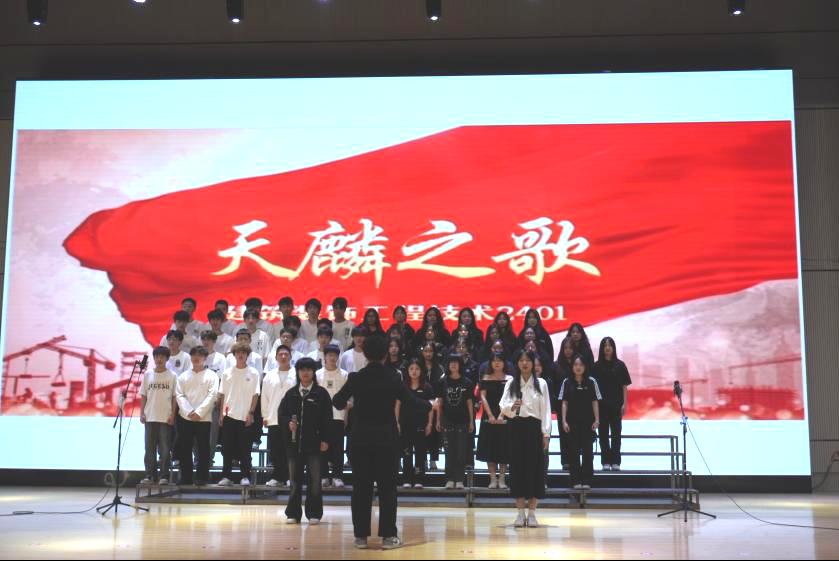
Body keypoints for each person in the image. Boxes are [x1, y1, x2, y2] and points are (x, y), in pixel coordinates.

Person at [332, 335, 432, 550]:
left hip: (360, 440)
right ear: (385, 354)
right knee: (387, 489)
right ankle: (388, 537)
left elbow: (338, 402)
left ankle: (360, 537)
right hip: (386, 440)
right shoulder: (393, 378)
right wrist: (428, 405)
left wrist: (352, 403)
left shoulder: (356, 378)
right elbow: (411, 401)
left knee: (361, 489)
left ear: (365, 354)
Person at [499, 350, 552, 528]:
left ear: (533, 363)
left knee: (535, 470)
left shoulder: (541, 383)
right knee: (517, 470)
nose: (524, 363)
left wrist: (546, 434)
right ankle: (520, 514)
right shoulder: (511, 383)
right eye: (521, 360)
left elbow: (546, 410)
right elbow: (503, 406)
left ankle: (532, 514)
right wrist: (512, 407)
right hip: (516, 428)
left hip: (534, 429)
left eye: (528, 360)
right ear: (517, 363)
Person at [279, 357, 332, 525]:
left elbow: (328, 419)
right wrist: (288, 423)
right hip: (294, 446)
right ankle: (293, 513)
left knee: (315, 481)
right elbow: (282, 415)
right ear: (298, 372)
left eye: (309, 369)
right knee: (294, 482)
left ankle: (314, 513)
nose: (305, 373)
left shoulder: (321, 394)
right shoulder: (291, 394)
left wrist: (325, 439)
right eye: (302, 369)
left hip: (315, 445)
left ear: (313, 372)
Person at [217, 343, 261, 487]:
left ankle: (245, 476)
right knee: (227, 448)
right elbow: (222, 394)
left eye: (243, 352)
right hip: (229, 415)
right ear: (234, 355)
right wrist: (221, 414)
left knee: (245, 449)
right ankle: (226, 476)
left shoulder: (253, 373)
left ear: (247, 355)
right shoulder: (227, 373)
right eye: (238, 352)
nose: (240, 355)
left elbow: (255, 395)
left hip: (245, 416)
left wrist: (251, 413)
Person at [174, 346, 219, 486]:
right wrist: (189, 411)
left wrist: (199, 412)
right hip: (185, 417)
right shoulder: (183, 376)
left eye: (200, 355)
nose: (196, 358)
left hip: (203, 418)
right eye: (194, 355)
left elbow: (212, 395)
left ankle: (202, 477)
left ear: (205, 358)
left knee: (203, 448)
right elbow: (179, 395)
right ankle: (186, 478)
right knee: (185, 448)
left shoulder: (212, 375)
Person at [559, 355, 602, 491]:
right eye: (576, 365)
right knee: (573, 453)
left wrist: (597, 419)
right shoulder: (566, 382)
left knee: (588, 453)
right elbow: (564, 403)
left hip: (588, 423)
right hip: (572, 423)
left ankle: (587, 480)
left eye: (581, 365)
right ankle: (575, 480)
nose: (578, 367)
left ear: (585, 367)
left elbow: (595, 401)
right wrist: (564, 421)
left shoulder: (591, 381)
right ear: (572, 367)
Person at [435, 354, 475, 490]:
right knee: (449, 451)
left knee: (461, 451)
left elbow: (470, 403)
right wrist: (438, 420)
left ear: (460, 365)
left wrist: (471, 421)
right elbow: (439, 403)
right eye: (451, 362)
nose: (453, 364)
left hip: (463, 420)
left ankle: (459, 480)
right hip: (447, 420)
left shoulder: (467, 382)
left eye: (456, 362)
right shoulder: (442, 382)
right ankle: (449, 479)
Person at [593, 337, 632, 472]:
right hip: (601, 406)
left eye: (610, 345)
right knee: (603, 435)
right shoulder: (596, 366)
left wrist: (624, 404)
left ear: (614, 348)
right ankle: (605, 461)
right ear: (602, 348)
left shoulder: (620, 365)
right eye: (605, 345)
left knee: (616, 435)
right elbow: (593, 388)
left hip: (616, 405)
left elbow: (624, 386)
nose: (608, 348)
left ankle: (615, 461)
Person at [139, 346, 177, 485]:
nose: (159, 359)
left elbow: (174, 398)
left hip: (165, 418)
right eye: (156, 356)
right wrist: (141, 413)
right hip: (150, 417)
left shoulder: (172, 376)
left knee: (165, 450)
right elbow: (143, 395)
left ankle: (164, 476)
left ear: (167, 359)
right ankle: (150, 475)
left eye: (162, 356)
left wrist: (173, 414)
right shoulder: (148, 374)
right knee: (149, 449)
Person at [395, 359, 434, 488]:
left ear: (421, 371)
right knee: (407, 452)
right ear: (407, 371)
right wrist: (397, 422)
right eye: (411, 369)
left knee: (420, 453)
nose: (414, 371)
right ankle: (406, 478)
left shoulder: (427, 387)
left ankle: (419, 479)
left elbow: (431, 407)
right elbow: (397, 405)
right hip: (405, 423)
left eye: (417, 369)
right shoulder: (402, 387)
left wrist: (429, 424)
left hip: (421, 424)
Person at [261, 345, 296, 487]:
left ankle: (290, 477)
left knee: (290, 450)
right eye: (280, 354)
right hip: (273, 418)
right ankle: (277, 477)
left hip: (291, 419)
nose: (283, 356)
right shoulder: (269, 375)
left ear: (290, 356)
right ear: (276, 357)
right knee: (276, 450)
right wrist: (265, 415)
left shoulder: (296, 374)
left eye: (286, 354)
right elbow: (264, 397)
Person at [477, 353, 511, 489]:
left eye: (500, 360)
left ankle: (502, 478)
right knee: (489, 447)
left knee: (504, 447)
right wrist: (490, 415)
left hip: (505, 415)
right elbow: (483, 398)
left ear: (504, 363)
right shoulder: (485, 378)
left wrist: (502, 415)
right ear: (490, 363)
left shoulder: (510, 379)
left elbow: (509, 398)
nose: (497, 363)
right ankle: (492, 478)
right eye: (494, 361)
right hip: (488, 416)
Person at [316, 345, 348, 488]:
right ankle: (323, 476)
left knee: (338, 448)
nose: (332, 357)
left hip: (338, 416)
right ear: (325, 357)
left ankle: (337, 476)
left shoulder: (344, 375)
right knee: (322, 447)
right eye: (329, 355)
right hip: (321, 418)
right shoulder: (318, 375)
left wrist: (346, 416)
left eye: (335, 355)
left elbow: (348, 399)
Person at [555, 336, 576, 471]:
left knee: (576, 434)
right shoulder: (556, 365)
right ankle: (565, 461)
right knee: (563, 433)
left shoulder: (578, 364)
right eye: (565, 348)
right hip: (561, 405)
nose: (568, 351)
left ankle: (575, 460)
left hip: (577, 405)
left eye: (570, 348)